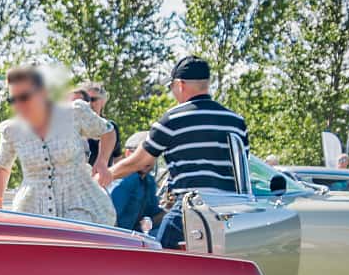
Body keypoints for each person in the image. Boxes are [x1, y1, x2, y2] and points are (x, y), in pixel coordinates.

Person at [109, 56, 249, 249]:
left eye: (171, 87)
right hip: (232, 214)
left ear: (180, 85)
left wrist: (106, 175)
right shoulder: (236, 121)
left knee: (160, 255)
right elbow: (242, 166)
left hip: (192, 210)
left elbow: (140, 161)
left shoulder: (172, 119)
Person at [0, 66, 115, 223]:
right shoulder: (12, 130)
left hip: (80, 204)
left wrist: (102, 162)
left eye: (24, 97)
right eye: (13, 100)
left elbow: (108, 131)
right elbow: (2, 167)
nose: (19, 105)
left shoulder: (74, 113)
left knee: (76, 233)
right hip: (32, 209)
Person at [110, 130, 161, 231]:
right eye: (143, 154)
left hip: (133, 235)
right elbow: (110, 218)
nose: (149, 159)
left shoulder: (149, 180)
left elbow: (152, 214)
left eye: (153, 155)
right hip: (116, 236)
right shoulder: (124, 180)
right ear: (128, 153)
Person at [71, 81, 119, 168]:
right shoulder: (71, 125)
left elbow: (117, 159)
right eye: (84, 100)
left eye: (92, 99)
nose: (88, 103)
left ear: (103, 101)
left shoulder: (110, 128)